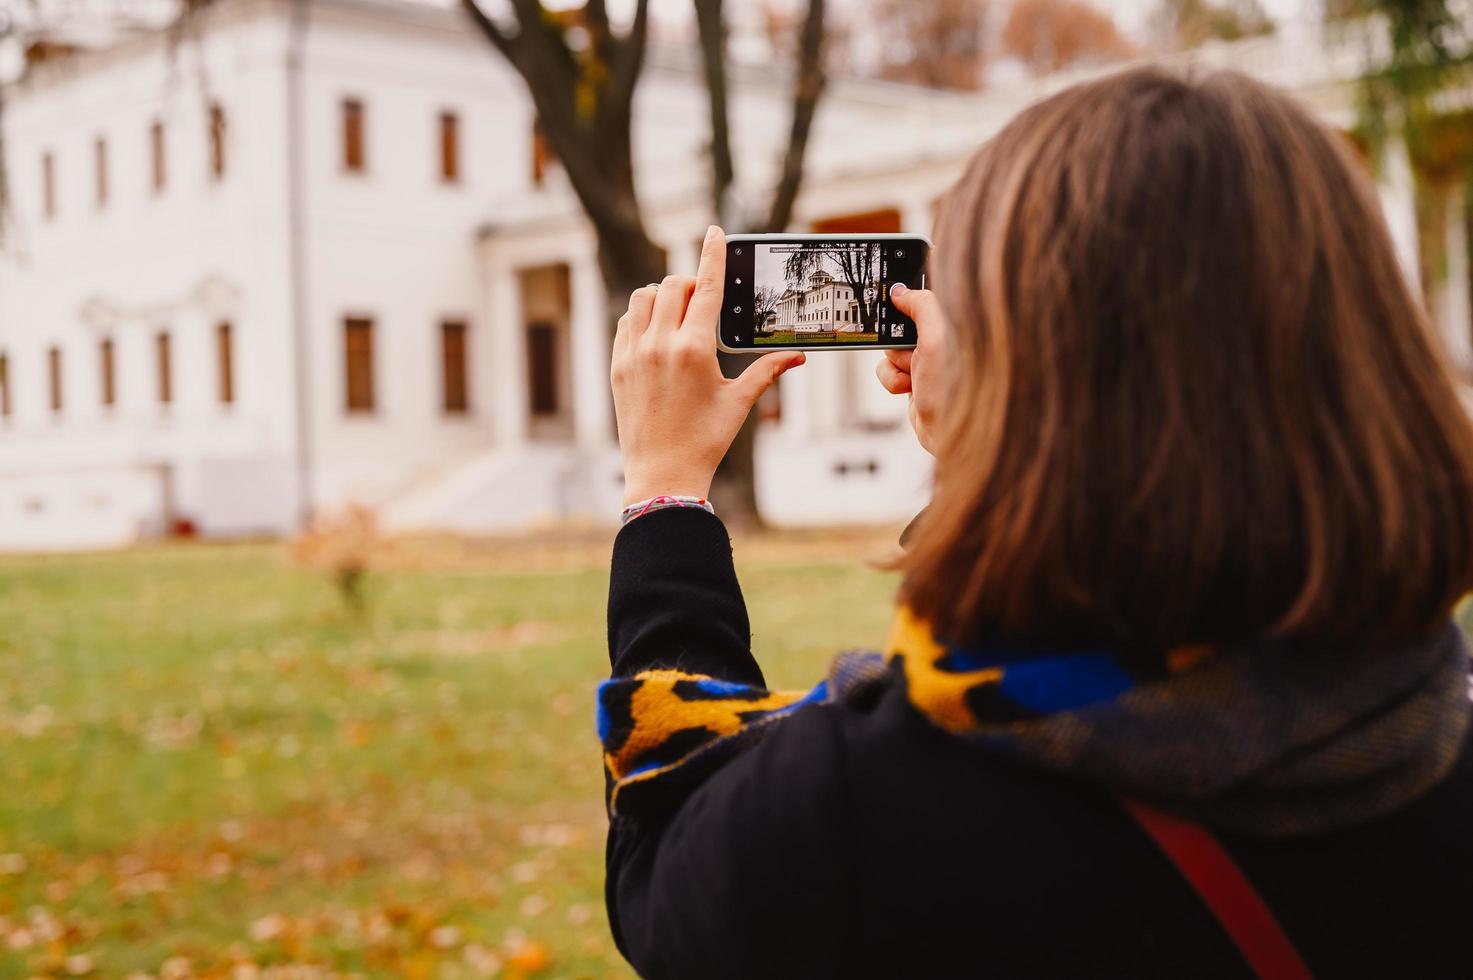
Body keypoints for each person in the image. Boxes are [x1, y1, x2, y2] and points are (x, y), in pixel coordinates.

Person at [599, 67, 1473, 979]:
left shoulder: (868, 811)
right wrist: (983, 451)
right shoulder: (1436, 719)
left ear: (1027, 374)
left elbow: (669, 862)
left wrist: (665, 491)